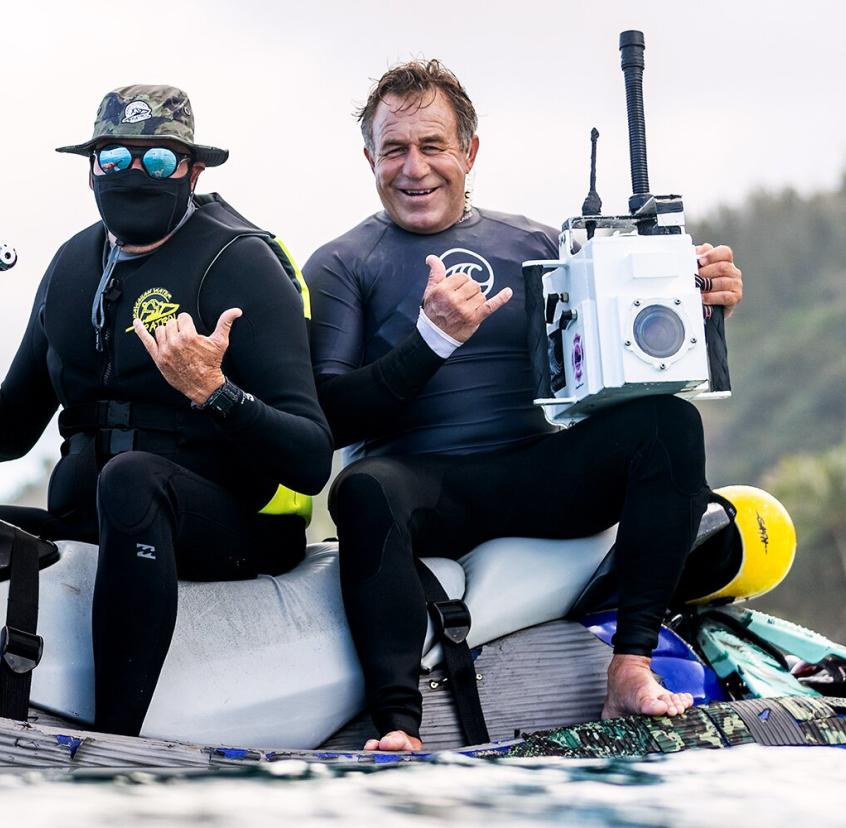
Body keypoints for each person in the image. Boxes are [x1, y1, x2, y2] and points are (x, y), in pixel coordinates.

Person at [304, 61, 743, 751]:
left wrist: (701, 303)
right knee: (360, 488)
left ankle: (629, 667)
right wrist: (428, 342)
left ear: (469, 152)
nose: (413, 168)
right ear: (370, 158)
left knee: (669, 423)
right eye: (394, 150)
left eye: (432, 146)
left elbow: (628, 363)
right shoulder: (341, 265)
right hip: (421, 491)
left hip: (538, 474)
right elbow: (328, 419)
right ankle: (396, 725)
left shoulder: (538, 247)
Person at [0, 85, 332, 736]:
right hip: (93, 518)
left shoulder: (240, 261)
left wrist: (214, 389)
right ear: (90, 168)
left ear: (193, 169)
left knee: (131, 480)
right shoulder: (73, 266)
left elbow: (308, 458)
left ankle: (113, 742)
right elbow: (8, 432)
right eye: (114, 157)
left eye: (158, 159)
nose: (135, 173)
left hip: (229, 526)